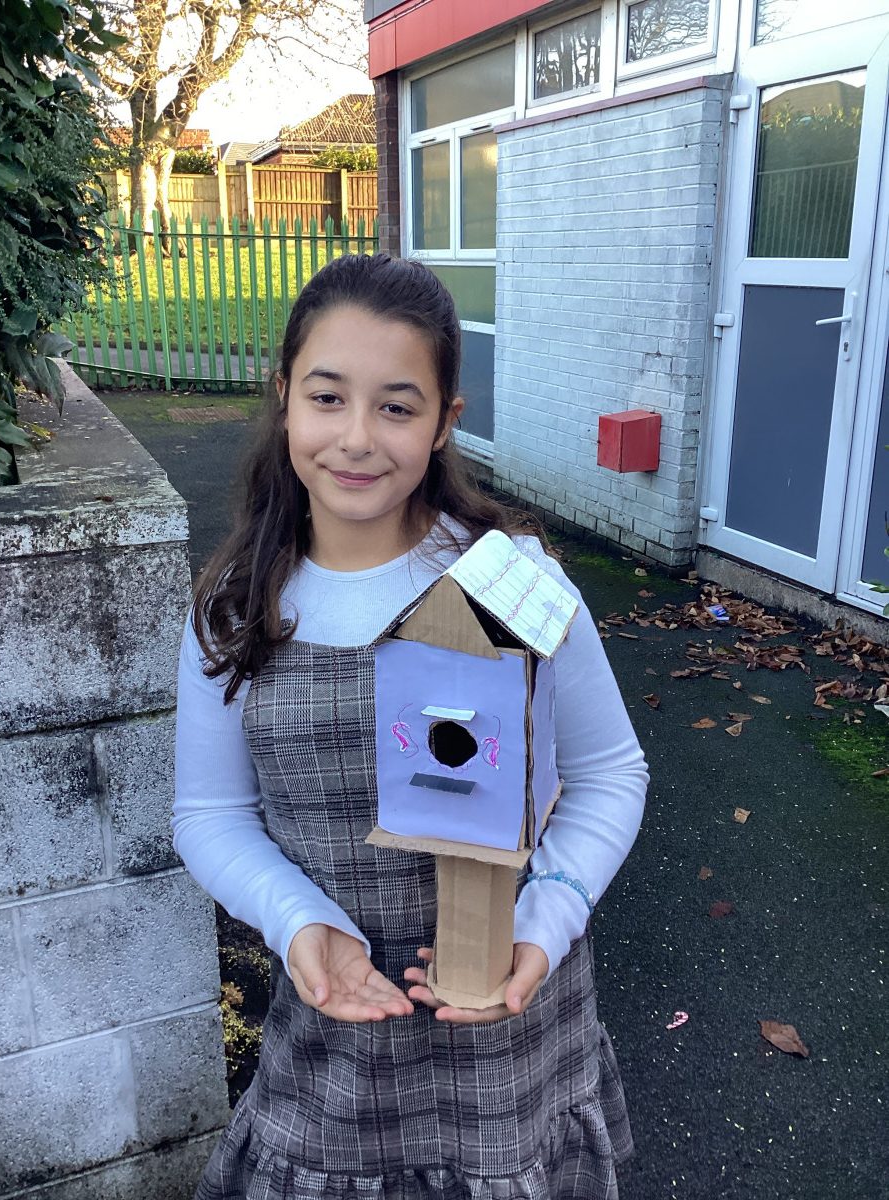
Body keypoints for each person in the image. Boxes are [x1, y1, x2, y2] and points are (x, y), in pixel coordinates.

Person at [174, 252, 648, 1200]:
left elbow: (609, 773)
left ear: (444, 423)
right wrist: (300, 921)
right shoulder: (235, 608)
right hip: (336, 1044)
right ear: (283, 396)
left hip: (513, 1028)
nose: (356, 438)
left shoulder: (513, 581)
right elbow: (210, 814)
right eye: (327, 398)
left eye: (397, 406)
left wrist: (543, 923)